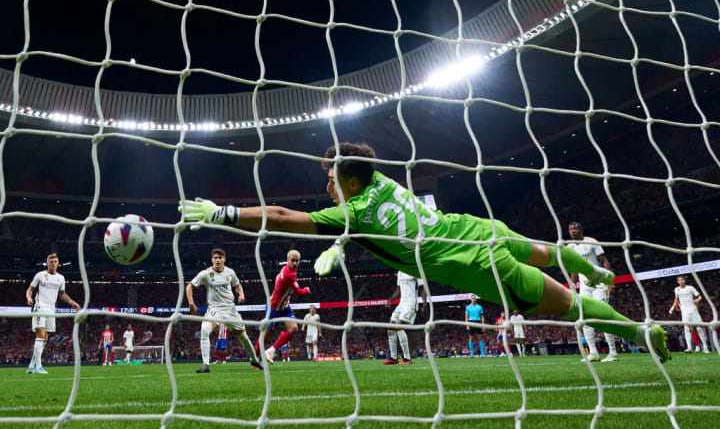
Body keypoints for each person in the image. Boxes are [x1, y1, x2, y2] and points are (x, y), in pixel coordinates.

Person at [178, 142, 670, 363]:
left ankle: (638, 330)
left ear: (348, 180)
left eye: (330, 180)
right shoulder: (380, 180)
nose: (326, 187)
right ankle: (586, 262)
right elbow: (360, 199)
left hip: (477, 264)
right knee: (543, 251)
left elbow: (284, 219)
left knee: (568, 306)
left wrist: (222, 213)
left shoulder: (351, 211)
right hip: (476, 227)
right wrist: (341, 240)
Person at [186, 248, 262, 373]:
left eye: (220, 258)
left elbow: (237, 285)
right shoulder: (205, 273)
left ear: (224, 260)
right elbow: (189, 286)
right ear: (212, 260)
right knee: (204, 329)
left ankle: (254, 359)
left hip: (230, 310)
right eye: (215, 258)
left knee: (243, 337)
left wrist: (241, 294)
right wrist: (191, 303)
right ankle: (206, 365)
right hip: (214, 310)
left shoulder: (230, 272)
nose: (217, 260)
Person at [568, 222, 618, 362]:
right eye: (570, 229)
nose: (572, 231)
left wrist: (609, 280)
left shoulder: (591, 242)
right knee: (586, 318)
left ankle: (613, 352)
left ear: (581, 229)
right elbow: (573, 268)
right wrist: (573, 285)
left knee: (602, 315)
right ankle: (593, 352)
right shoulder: (569, 247)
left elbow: (604, 261)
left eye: (575, 228)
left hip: (600, 282)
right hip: (585, 286)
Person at [25, 253, 80, 374]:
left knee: (46, 336)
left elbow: (62, 294)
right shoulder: (40, 275)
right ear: (47, 263)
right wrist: (29, 298)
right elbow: (30, 289)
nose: (53, 264)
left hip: (51, 309)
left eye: (55, 262)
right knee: (40, 334)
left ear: (58, 263)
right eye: (51, 262)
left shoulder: (61, 278)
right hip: (40, 307)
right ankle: (38, 367)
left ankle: (31, 366)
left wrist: (72, 303)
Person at [254, 250, 310, 365]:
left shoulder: (287, 269)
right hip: (274, 308)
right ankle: (255, 358)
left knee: (294, 329)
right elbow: (299, 292)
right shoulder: (290, 275)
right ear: (288, 260)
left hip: (284, 307)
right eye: (292, 260)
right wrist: (307, 290)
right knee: (266, 337)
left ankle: (270, 351)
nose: (295, 263)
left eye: (297, 261)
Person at [383, 271, 426, 365]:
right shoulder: (400, 273)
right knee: (391, 327)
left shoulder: (415, 270)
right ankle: (393, 358)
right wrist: (390, 300)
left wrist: (424, 303)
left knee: (399, 327)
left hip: (411, 304)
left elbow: (422, 289)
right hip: (401, 304)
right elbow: (398, 291)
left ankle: (407, 358)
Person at [669, 275, 709, 354]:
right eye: (679, 280)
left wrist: (697, 300)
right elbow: (676, 300)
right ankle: (689, 348)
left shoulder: (690, 288)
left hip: (693, 310)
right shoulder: (676, 289)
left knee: (699, 328)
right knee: (686, 329)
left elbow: (700, 296)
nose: (680, 281)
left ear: (685, 281)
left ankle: (705, 347)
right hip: (684, 312)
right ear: (677, 282)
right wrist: (672, 308)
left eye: (682, 279)